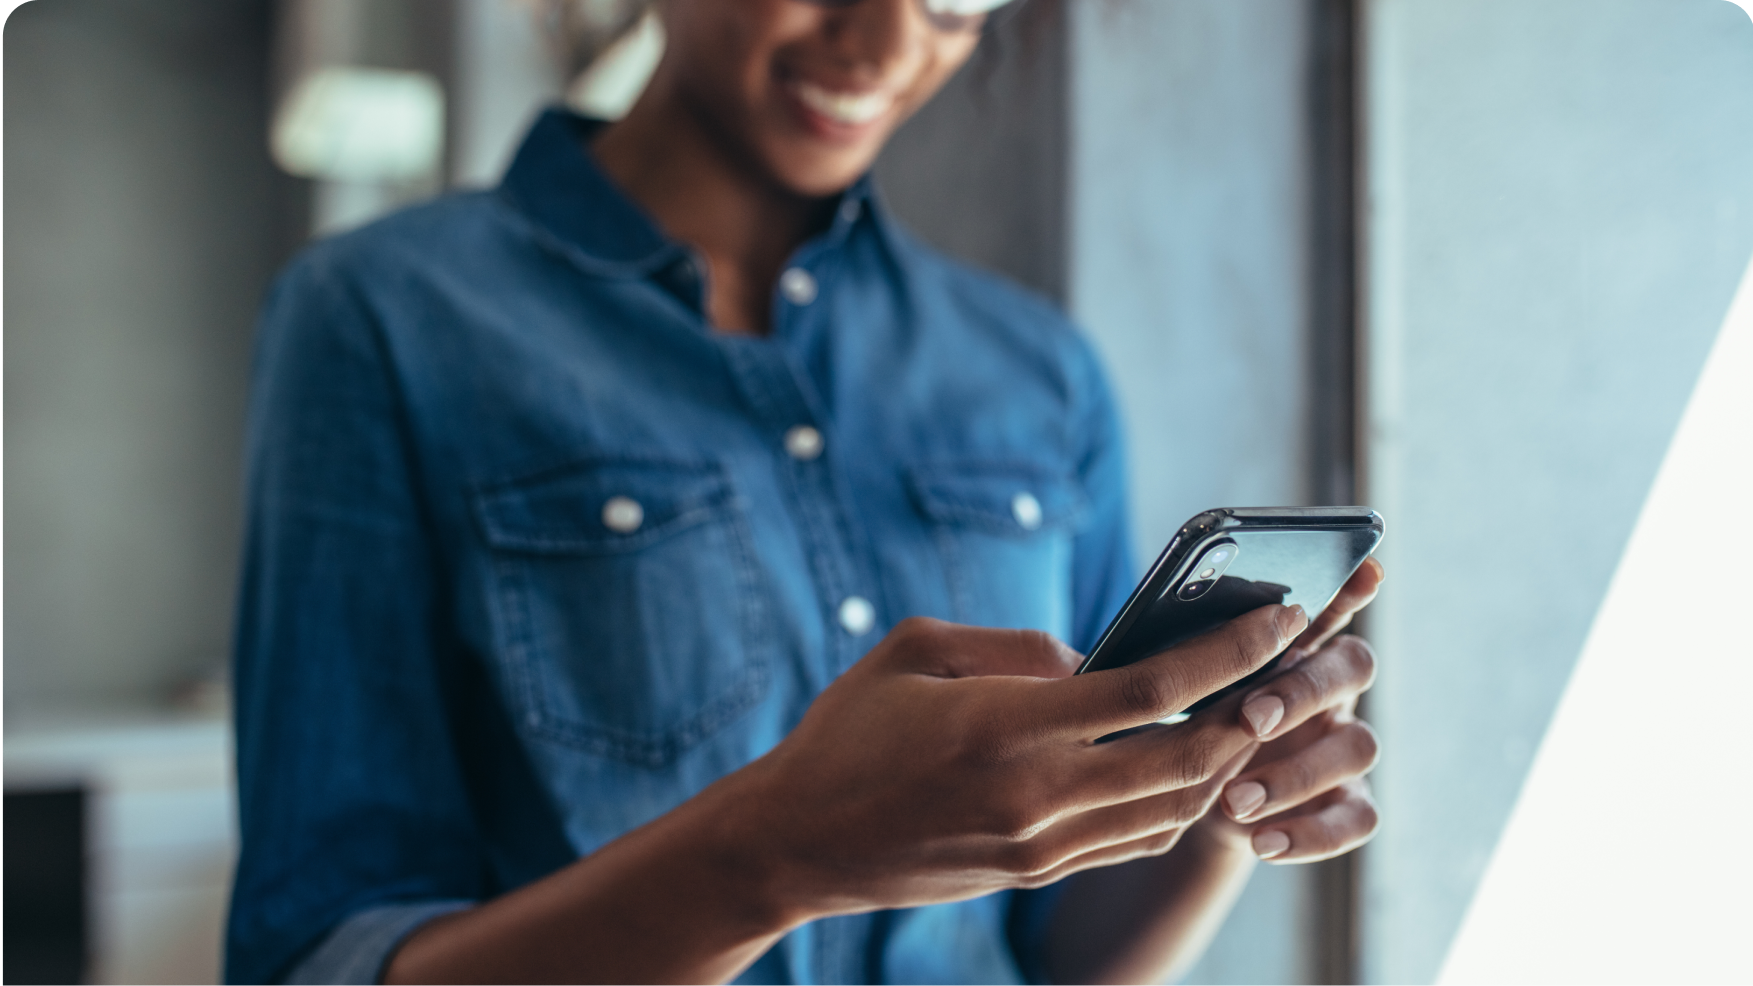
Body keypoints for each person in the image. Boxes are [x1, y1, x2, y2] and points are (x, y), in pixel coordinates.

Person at [225, 1, 1385, 984]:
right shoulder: (383, 316)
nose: (884, 43)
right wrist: (773, 853)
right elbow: (322, 950)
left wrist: (1215, 789)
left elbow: (1049, 943)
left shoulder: (1036, 369)